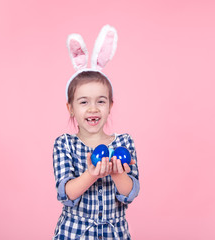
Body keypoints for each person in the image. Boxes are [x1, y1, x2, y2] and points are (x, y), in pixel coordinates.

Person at [52, 25, 140, 240]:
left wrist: (117, 172)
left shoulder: (124, 142)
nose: (93, 108)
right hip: (74, 233)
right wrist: (93, 173)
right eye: (83, 102)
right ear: (71, 108)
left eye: (100, 101)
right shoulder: (64, 145)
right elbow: (67, 194)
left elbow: (130, 193)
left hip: (114, 234)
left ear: (110, 106)